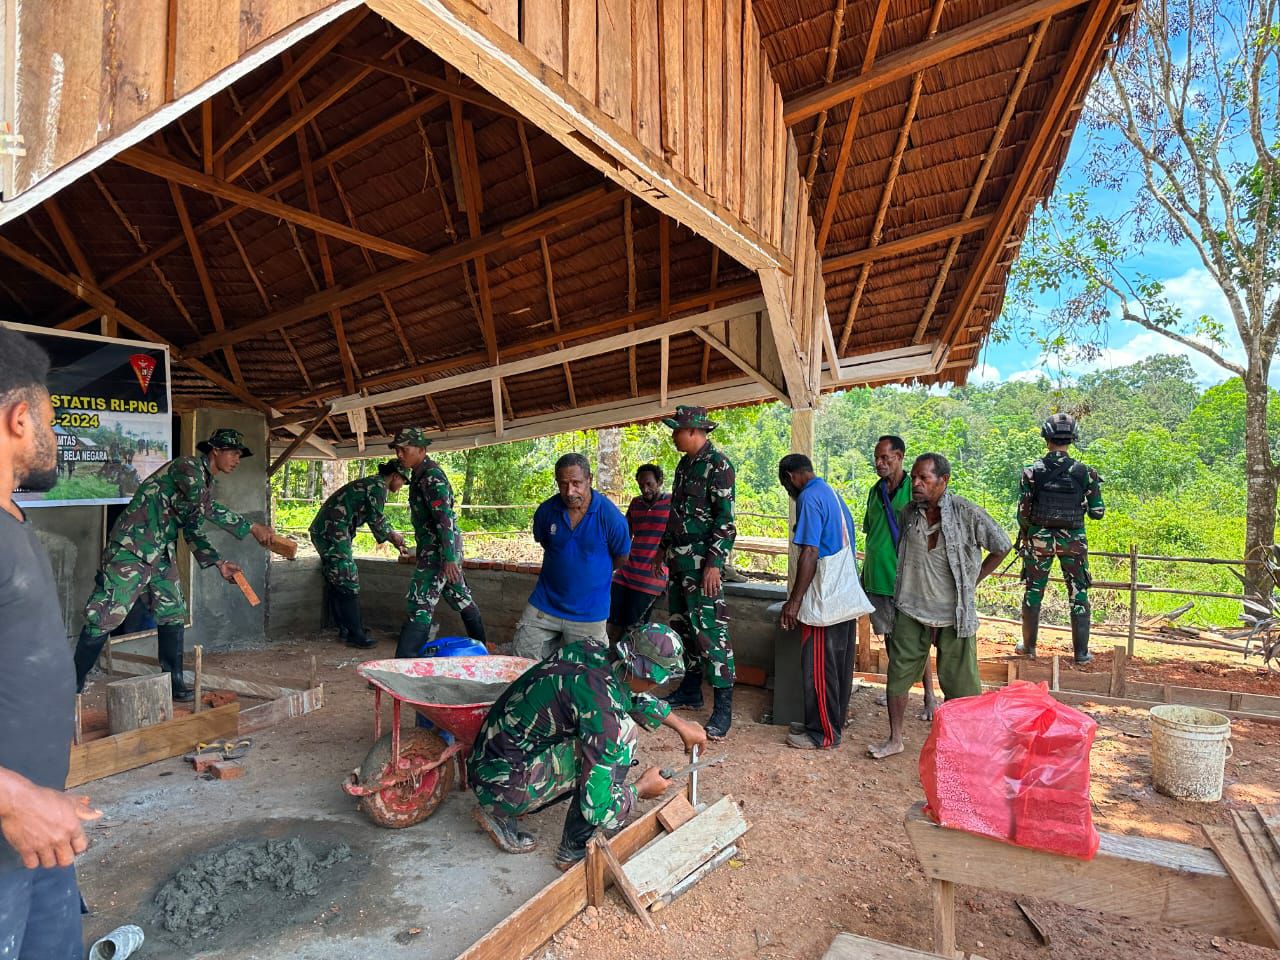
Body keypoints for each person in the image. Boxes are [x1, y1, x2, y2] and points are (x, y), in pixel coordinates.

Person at [0, 326, 102, 958]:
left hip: (36, 831)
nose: (55, 435)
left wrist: (39, 787)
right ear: (19, 418)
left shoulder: (11, 518)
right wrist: (13, 798)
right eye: (52, 419)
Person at [469, 622, 705, 870]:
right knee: (622, 739)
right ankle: (573, 849)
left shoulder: (590, 650)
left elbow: (625, 693)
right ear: (647, 678)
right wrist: (641, 788)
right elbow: (596, 808)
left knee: (612, 735)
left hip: (488, 757)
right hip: (501, 785)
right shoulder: (604, 716)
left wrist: (680, 725)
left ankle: (504, 803)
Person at [72, 427, 276, 701]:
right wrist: (251, 527)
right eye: (234, 453)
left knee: (173, 612)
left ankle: (174, 683)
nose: (237, 459)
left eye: (240, 455)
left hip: (160, 552)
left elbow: (192, 528)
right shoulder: (187, 467)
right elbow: (205, 507)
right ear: (215, 451)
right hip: (131, 548)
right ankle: (71, 685)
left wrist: (218, 563)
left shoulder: (206, 484)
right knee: (106, 615)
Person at [869, 453, 1010, 760]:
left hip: (953, 613)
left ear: (943, 480)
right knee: (898, 676)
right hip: (911, 608)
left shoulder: (966, 512)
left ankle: (964, 749)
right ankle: (895, 739)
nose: (916, 483)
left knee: (961, 686)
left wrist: (972, 580)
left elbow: (1002, 545)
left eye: (924, 478)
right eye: (914, 477)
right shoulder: (909, 513)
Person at [653, 405, 737, 741]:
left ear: (692, 431)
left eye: (677, 430)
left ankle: (723, 708)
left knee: (710, 631)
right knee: (683, 627)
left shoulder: (719, 465)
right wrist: (662, 548)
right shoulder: (685, 465)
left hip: (703, 564)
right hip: (679, 562)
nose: (673, 435)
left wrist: (714, 563)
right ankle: (690, 689)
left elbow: (725, 521)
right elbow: (676, 514)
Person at [778, 454, 859, 750]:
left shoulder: (809, 498)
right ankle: (830, 721)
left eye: (786, 485)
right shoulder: (830, 493)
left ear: (790, 477)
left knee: (819, 667)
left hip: (825, 597)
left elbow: (810, 552)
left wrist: (794, 601)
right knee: (838, 666)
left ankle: (823, 733)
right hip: (844, 594)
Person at [515, 453, 631, 660]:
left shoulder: (611, 517)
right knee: (522, 660)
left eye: (576, 483)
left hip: (589, 612)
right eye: (563, 484)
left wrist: (592, 572)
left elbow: (622, 557)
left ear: (589, 479)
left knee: (589, 671)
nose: (569, 491)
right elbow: (547, 543)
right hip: (545, 604)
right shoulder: (546, 511)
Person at [1016, 413, 1105, 664]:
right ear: (1072, 439)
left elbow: (1023, 514)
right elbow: (1098, 512)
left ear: (1046, 438)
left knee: (1034, 591)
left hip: (1039, 540)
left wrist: (1029, 534)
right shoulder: (1086, 473)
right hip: (1073, 542)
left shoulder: (1031, 472)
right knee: (1079, 593)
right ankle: (1081, 654)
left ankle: (1029, 648)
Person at [391, 427, 487, 658]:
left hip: (439, 552)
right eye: (397, 450)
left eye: (404, 449)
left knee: (419, 603)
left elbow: (444, 519)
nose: (399, 454)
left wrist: (450, 558)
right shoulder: (420, 474)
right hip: (440, 549)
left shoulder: (431, 476)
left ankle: (403, 665)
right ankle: (483, 651)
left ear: (421, 449)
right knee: (460, 597)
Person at [863, 435, 938, 719]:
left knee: (915, 640)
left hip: (906, 579)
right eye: (877, 458)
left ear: (900, 457)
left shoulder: (913, 490)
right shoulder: (875, 492)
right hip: (877, 577)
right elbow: (871, 531)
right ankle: (896, 689)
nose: (879, 463)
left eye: (885, 458)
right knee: (890, 638)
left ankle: (929, 696)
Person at [309, 460, 410, 649]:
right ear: (395, 475)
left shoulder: (371, 483)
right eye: (403, 481)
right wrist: (394, 537)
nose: (401, 486)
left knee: (336, 578)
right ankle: (356, 635)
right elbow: (376, 519)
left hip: (327, 530)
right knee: (347, 577)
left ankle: (346, 628)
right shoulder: (378, 487)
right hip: (332, 530)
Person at [608, 463, 671, 637]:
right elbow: (626, 533)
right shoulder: (636, 503)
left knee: (633, 628)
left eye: (649, 484)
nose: (645, 489)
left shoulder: (672, 503)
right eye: (641, 485)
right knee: (609, 619)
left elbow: (677, 536)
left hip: (652, 574)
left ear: (659, 482)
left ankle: (628, 654)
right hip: (626, 570)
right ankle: (609, 653)